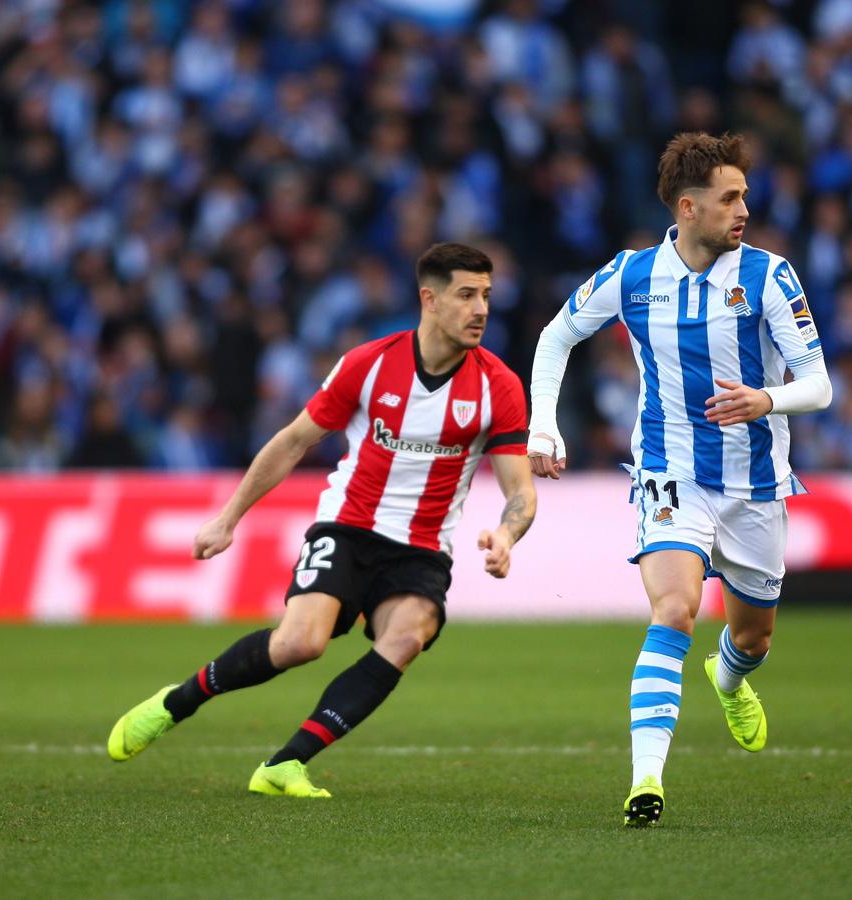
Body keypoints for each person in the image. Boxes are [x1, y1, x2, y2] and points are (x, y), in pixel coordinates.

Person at [107, 242, 537, 798]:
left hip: (422, 547)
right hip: (349, 526)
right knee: (300, 644)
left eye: (486, 296)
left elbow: (519, 488)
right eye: (466, 295)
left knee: (407, 636)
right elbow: (292, 442)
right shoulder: (370, 363)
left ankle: (286, 763)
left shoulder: (497, 385)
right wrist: (228, 518)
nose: (480, 309)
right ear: (429, 299)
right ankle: (177, 702)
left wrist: (507, 533)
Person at [527, 133, 832, 826]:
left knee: (752, 638)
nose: (744, 209)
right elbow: (556, 335)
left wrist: (766, 399)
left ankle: (727, 680)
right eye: (730, 198)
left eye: (745, 195)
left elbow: (819, 386)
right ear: (688, 208)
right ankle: (646, 782)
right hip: (669, 476)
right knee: (674, 612)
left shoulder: (770, 276)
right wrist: (542, 422)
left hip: (756, 483)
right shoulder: (632, 275)